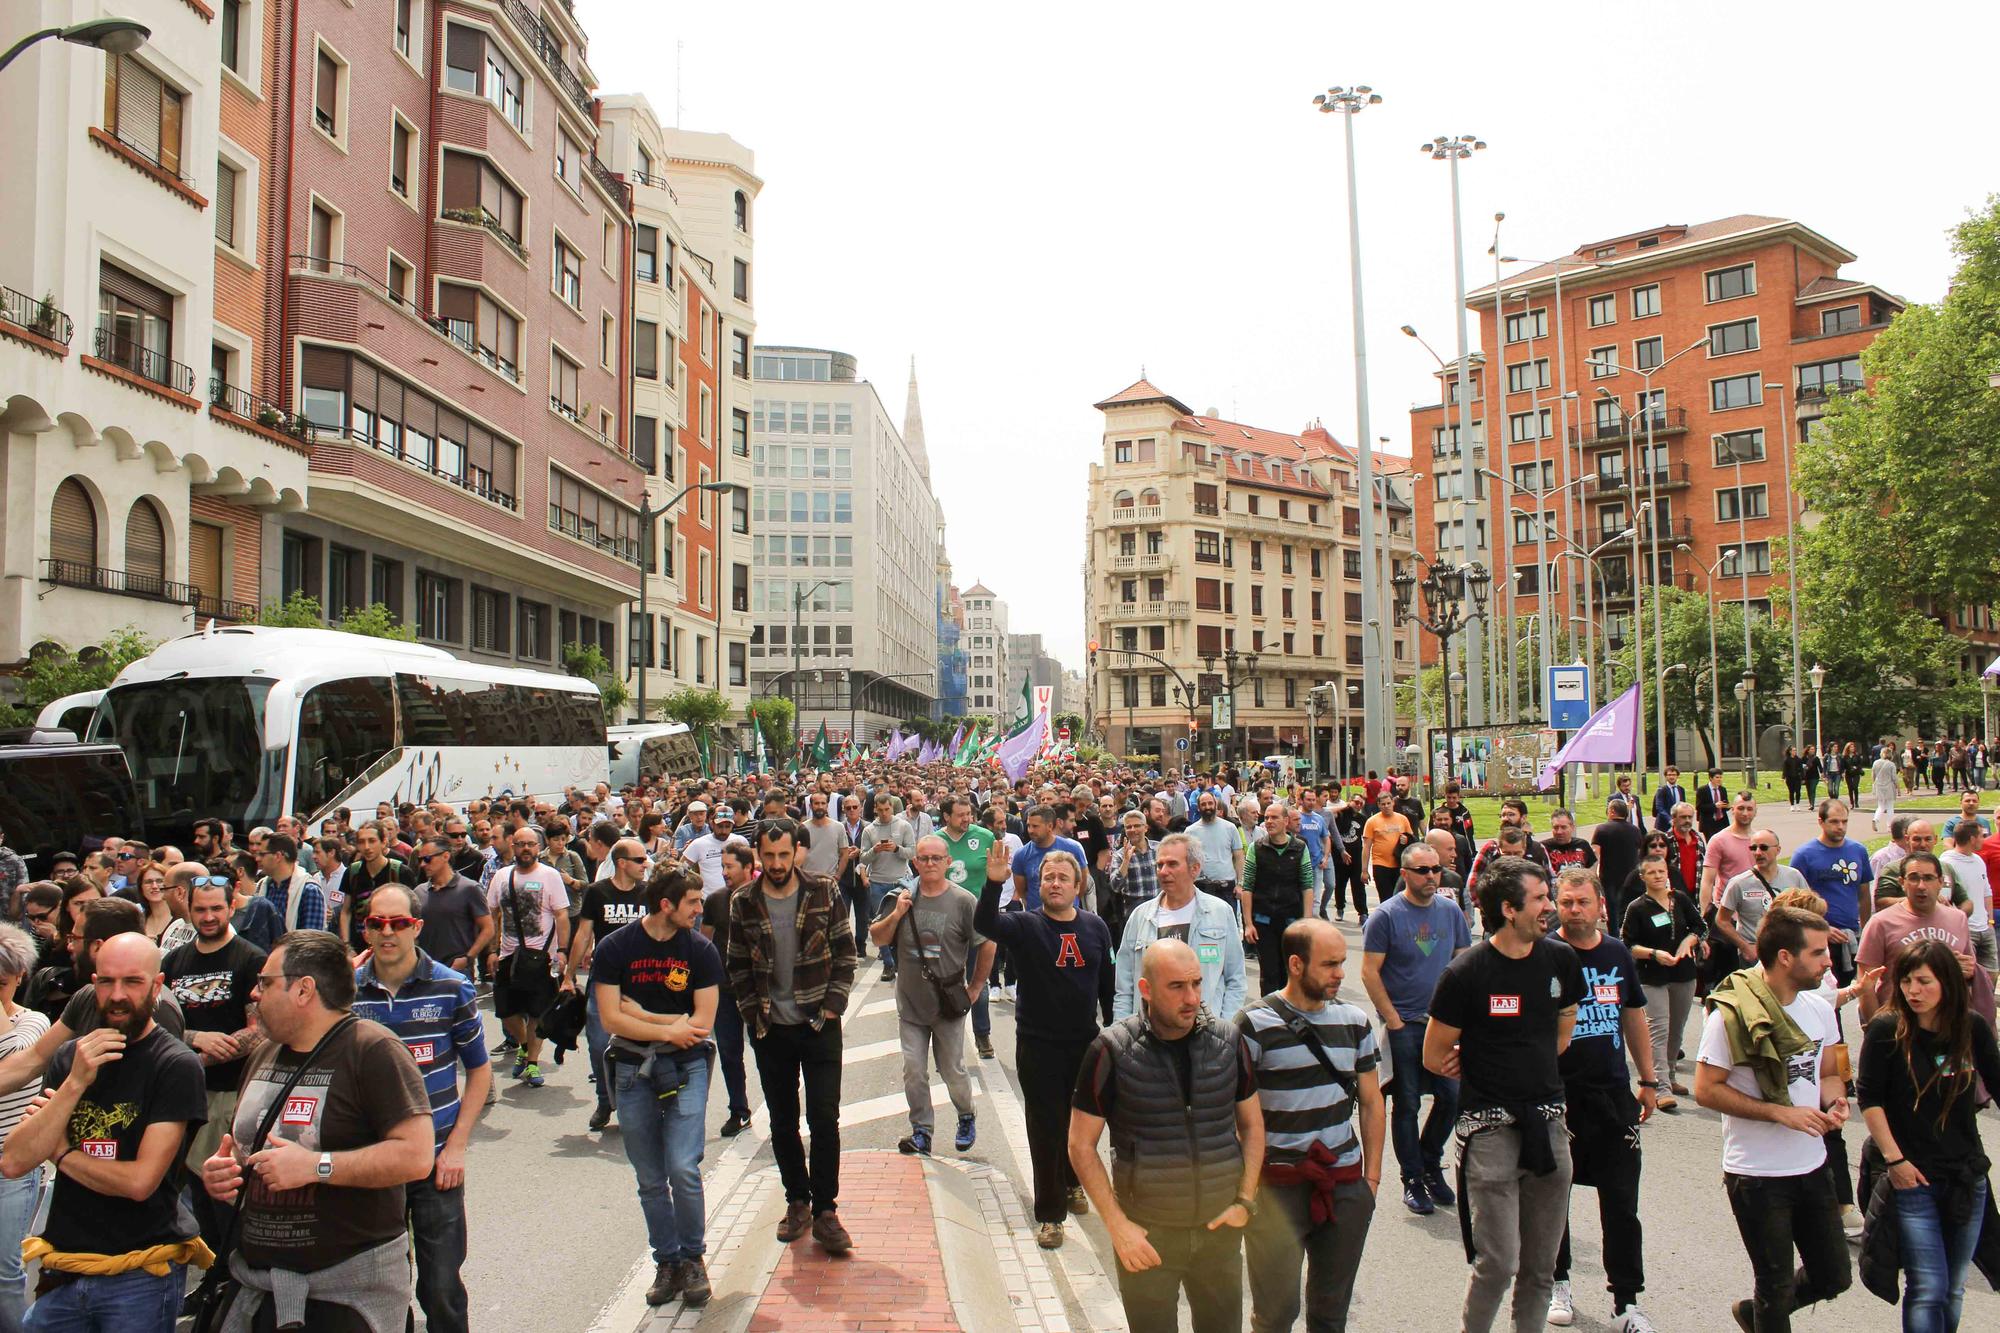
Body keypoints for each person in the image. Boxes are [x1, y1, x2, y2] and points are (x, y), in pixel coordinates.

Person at [200, 930, 435, 1332]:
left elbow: (416, 1156)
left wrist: (317, 1167)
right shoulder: (265, 1052)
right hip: (257, 1287)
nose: (255, 994)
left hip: (344, 1297)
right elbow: (254, 1155)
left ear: (304, 990)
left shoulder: (374, 1049)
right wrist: (225, 1172)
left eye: (265, 983)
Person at [0, 934, 207, 1332]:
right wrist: (75, 1082)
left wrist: (61, 1153)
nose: (117, 995)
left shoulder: (175, 1065)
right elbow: (13, 1160)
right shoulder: (71, 1057)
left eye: (132, 982)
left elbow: (139, 1182)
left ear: (157, 985)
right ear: (93, 984)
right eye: (107, 982)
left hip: (141, 1274)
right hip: (66, 1267)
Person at [1068, 939, 1263, 1333]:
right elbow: (1079, 1145)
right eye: (1177, 986)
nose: (1191, 997)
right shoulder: (1111, 1051)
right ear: (1146, 990)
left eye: (1196, 983)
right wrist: (1118, 1228)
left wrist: (1245, 1200)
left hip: (1218, 1234)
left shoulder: (1229, 1042)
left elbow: (1253, 1125)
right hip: (1147, 1237)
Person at [1424, 857, 1584, 1333]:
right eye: (1540, 899)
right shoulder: (1467, 972)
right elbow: (1435, 1055)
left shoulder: (1560, 960)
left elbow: (1563, 1026)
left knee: (1541, 1266)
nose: (1551, 908)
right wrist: (1472, 1062)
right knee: (1499, 1262)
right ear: (1510, 909)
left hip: (1549, 1126)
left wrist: (1529, 1061)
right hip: (1488, 1131)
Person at [1693, 906, 1852, 1333]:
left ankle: (1754, 1316)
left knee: (1835, 1275)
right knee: (1775, 1286)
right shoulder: (1729, 1015)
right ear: (1786, 956)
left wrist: (1836, 1102)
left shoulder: (1818, 1008)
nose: (1827, 961)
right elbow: (1706, 1089)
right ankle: (1766, 1316)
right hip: (1757, 1176)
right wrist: (1779, 1112)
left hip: (1813, 1166)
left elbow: (1831, 1071)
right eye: (1818, 953)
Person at [351, 886, 491, 1333]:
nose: (387, 932)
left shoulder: (452, 988)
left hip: (435, 1165)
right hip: (371, 1164)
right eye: (377, 923)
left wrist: (457, 1147)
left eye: (398, 923)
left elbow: (480, 1072)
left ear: (417, 927)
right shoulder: (345, 991)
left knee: (440, 1285)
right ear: (366, 928)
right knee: (380, 1290)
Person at [1238, 919, 1384, 1333]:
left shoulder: (1355, 1022)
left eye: (1342, 963)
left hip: (1343, 1186)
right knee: (1275, 1314)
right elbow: (1238, 1115)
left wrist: (1369, 1182)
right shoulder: (1252, 1024)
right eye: (1331, 964)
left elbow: (1372, 1103)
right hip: (1275, 1190)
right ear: (1297, 965)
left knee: (1330, 1312)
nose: (1342, 973)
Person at [726, 819, 857, 1255]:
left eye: (784, 855)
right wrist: (753, 1016)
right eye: (769, 856)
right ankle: (796, 1201)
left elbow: (844, 951)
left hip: (820, 1025)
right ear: (758, 856)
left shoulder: (823, 890)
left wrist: (833, 1006)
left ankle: (825, 1211)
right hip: (770, 1030)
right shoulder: (743, 901)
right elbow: (738, 965)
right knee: (782, 1123)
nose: (777, 863)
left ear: (796, 852)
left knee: (824, 1120)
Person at [973, 836, 1112, 1248]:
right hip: (1038, 1045)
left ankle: (1072, 1181)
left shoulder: (1095, 926)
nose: (1054, 883)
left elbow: (1107, 983)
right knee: (1045, 1127)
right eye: (1047, 877)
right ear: (1039, 883)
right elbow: (986, 925)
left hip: (1086, 1043)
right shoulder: (1026, 924)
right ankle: (1050, 1214)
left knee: (1080, 1123)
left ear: (1076, 884)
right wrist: (993, 884)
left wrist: (1116, 1030)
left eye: (1062, 878)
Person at [594, 863, 722, 1309]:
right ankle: (666, 1261)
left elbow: (703, 1024)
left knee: (683, 1168)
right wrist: (671, 1028)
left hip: (687, 1067)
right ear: (666, 905)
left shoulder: (701, 950)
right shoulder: (615, 947)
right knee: (650, 1177)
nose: (698, 909)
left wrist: (646, 1020)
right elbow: (611, 1018)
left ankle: (693, 1258)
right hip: (631, 1070)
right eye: (691, 902)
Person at [1856, 938, 2000, 1333]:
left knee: (1953, 1287)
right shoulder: (1887, 1030)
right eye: (1906, 981)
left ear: (1948, 984)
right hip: (1912, 1177)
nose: (1913, 991)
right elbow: (1870, 1099)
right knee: (1927, 1286)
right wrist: (1895, 1161)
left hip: (1966, 1176)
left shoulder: (1972, 1028)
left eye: (1924, 982)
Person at [1546, 868, 1658, 1333]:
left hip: (1612, 1096)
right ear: (1555, 904)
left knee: (1621, 1202)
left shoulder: (1616, 953)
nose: (1574, 911)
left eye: (1582, 902)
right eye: (1566, 902)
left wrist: (1650, 1080)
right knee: (1554, 1198)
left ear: (1599, 905)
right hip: (1556, 1098)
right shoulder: (1543, 955)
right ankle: (1558, 1280)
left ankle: (1625, 1303)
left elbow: (1633, 1016)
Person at [1360, 841, 1471, 1215]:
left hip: (1443, 1025)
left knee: (1452, 1097)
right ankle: (1412, 1178)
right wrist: (1392, 1019)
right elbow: (1370, 971)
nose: (1431, 877)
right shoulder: (1387, 916)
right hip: (1404, 1023)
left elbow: (1461, 961)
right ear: (1404, 873)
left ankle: (1428, 1162)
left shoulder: (1451, 911)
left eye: (1435, 870)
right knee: (1406, 1102)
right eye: (1423, 871)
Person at [870, 835, 994, 1157]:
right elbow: (877, 937)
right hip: (910, 1003)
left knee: (952, 1069)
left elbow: (987, 943)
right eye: (923, 858)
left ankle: (966, 1114)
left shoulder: (964, 901)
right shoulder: (902, 896)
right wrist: (896, 914)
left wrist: (977, 986)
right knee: (913, 1069)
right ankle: (921, 1130)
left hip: (948, 1005)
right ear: (915, 862)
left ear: (948, 862)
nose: (929, 864)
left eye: (936, 859)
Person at [161, 879, 265, 1255]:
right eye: (200, 909)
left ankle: (229, 1281)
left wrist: (205, 1053)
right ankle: (209, 1280)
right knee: (190, 1199)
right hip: (182, 1095)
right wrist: (194, 1040)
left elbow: (262, 1029)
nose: (208, 917)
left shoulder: (251, 958)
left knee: (225, 1199)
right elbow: (162, 1026)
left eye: (215, 909)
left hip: (230, 1094)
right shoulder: (173, 961)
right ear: (188, 909)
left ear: (231, 907)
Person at [1111, 832, 1248, 1023]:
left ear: (1195, 869)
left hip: (1206, 1032)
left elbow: (1236, 979)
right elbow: (1124, 987)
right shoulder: (1140, 917)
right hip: (1150, 1036)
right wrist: (1123, 1030)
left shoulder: (1220, 912)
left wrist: (1225, 1027)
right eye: (1159, 865)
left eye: (1172, 864)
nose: (1163, 871)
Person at [568, 838, 651, 1133]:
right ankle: (605, 1100)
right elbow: (583, 934)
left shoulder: (648, 893)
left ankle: (639, 1102)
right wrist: (567, 975)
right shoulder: (596, 892)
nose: (646, 865)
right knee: (599, 1044)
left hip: (641, 982)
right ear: (622, 863)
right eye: (640, 860)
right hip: (604, 980)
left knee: (644, 1045)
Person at [1620, 851, 1706, 1111]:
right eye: (1651, 873)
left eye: (1661, 872)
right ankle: (1661, 1087)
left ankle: (1669, 1074)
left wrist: (1689, 941)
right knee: (1658, 1027)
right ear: (1642, 877)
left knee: (1676, 1029)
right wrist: (1654, 954)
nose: (1657, 876)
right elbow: (1628, 943)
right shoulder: (1637, 907)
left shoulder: (1678, 899)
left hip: (1683, 974)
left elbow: (1700, 926)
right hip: (1652, 976)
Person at [486, 826, 571, 1089]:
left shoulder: (550, 876)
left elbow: (561, 916)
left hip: (540, 956)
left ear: (538, 847)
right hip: (508, 954)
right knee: (506, 1011)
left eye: (531, 844)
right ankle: (524, 1045)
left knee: (537, 1012)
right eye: (521, 844)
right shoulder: (501, 876)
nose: (525, 849)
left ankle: (532, 1062)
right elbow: (492, 915)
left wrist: (562, 951)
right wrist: (491, 950)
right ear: (513, 846)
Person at [1854, 852, 1978, 1022]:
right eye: (1913, 878)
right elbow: (1866, 985)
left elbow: (1969, 969)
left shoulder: (1958, 919)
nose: (1921, 886)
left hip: (1947, 1023)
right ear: (1902, 882)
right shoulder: (1881, 923)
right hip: (1898, 1025)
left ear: (1941, 882)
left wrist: (1969, 971)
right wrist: (1874, 1028)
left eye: (1928, 878)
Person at [0, 925, 49, 1332]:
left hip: (11, 1166)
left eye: (1, 982)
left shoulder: (33, 1022)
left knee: (4, 1273)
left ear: (20, 977)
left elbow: (14, 1061)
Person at [1788, 799, 1874, 986]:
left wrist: (1865, 928)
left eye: (1844, 821)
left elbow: (1864, 893)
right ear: (1821, 821)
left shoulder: (1858, 851)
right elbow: (1794, 903)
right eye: (1834, 822)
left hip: (1851, 935)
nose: (1840, 827)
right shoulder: (1804, 855)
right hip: (1817, 938)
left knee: (1849, 988)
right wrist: (1822, 928)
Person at [702, 845, 756, 1138]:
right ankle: (739, 1110)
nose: (724, 872)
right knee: (729, 1053)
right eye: (722, 866)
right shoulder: (715, 900)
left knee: (767, 1053)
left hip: (759, 990)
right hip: (724, 991)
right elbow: (704, 944)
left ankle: (778, 1110)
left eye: (730, 867)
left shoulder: (764, 897)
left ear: (748, 867)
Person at [1241, 803, 1312, 996]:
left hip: (1292, 921)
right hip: (1263, 922)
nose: (1269, 822)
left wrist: (1307, 921)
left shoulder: (1299, 848)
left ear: (1286, 821)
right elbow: (1247, 887)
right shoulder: (1257, 848)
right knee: (1269, 974)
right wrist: (1248, 924)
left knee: (1291, 972)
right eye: (1267, 818)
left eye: (1274, 818)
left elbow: (1307, 885)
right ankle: (1269, 1016)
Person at [1715, 831, 1808, 965]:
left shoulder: (1794, 876)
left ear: (1778, 850)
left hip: (1788, 951)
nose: (1758, 852)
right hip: (1755, 957)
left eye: (1763, 847)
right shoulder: (1739, 883)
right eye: (1753, 848)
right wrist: (1744, 947)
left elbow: (1810, 911)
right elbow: (1722, 920)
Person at [411, 836, 493, 978]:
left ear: (445, 856)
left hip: (457, 972)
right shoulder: (419, 892)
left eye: (428, 859)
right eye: (420, 860)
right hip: (426, 971)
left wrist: (467, 958)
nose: (423, 864)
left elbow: (488, 928)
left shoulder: (469, 888)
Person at [333, 822, 418, 952]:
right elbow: (346, 911)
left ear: (384, 842)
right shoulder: (352, 872)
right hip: (358, 947)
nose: (367, 847)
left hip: (392, 943)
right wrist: (347, 946)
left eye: (372, 841)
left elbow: (412, 912)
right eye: (362, 842)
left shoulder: (400, 871)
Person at [860, 795, 918, 977]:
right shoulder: (869, 830)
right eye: (881, 810)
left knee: (904, 924)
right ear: (875, 809)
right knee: (881, 923)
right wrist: (874, 851)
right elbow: (862, 858)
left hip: (901, 881)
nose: (884, 813)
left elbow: (912, 851)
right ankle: (888, 963)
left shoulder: (903, 826)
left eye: (887, 809)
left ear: (892, 808)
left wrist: (896, 849)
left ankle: (902, 960)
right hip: (878, 881)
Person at [1940, 820, 1997, 972]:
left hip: (1985, 928)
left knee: (1992, 973)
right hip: (1965, 929)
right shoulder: (1946, 862)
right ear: (1972, 839)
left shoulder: (1978, 860)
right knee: (1967, 975)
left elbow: (1987, 891)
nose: (1984, 839)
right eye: (1981, 836)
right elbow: (1944, 900)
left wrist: (1990, 920)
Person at [1699, 790, 1761, 916]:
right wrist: (1705, 915)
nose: (1745, 813)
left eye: (1749, 809)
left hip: (1755, 909)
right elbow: (1707, 881)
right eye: (1741, 808)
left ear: (1755, 811)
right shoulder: (1719, 840)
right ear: (1733, 810)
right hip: (1726, 912)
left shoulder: (1761, 841)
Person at [1360, 788, 1415, 921]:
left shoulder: (1402, 819)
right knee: (1386, 899)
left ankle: (1401, 921)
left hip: (1399, 864)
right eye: (1383, 804)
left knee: (1401, 897)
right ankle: (1388, 922)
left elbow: (1412, 840)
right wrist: (1364, 870)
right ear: (1378, 805)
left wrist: (1406, 840)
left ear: (1393, 803)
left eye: (1388, 803)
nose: (1386, 806)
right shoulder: (1372, 821)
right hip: (1381, 864)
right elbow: (1366, 847)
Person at [255, 834, 325, 935]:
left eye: (262, 854)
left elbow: (310, 943)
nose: (257, 859)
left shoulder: (309, 891)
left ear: (278, 856)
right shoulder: (262, 886)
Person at [1187, 791, 1246, 906]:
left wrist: (1240, 884)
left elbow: (1239, 857)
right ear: (1198, 808)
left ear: (1215, 805)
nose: (1207, 807)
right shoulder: (1190, 832)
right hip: (1201, 888)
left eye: (1210, 803)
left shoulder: (1230, 828)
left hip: (1227, 889)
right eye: (1203, 804)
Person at [1590, 801, 1644, 916]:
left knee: (1612, 911)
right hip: (1631, 877)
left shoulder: (1602, 829)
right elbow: (1640, 853)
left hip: (1609, 877)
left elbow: (1595, 853)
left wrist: (1595, 875)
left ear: (1612, 811)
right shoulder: (1635, 830)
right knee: (1630, 910)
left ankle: (1614, 933)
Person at [1869, 745, 1900, 832]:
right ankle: (1889, 826)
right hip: (1889, 786)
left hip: (1879, 786)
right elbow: (1894, 778)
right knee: (1890, 806)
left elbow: (1873, 775)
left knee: (1881, 806)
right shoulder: (1891, 764)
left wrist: (1873, 784)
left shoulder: (1876, 763)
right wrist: (1898, 788)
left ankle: (1875, 819)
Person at [1697, 771, 1732, 842]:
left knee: (1724, 843)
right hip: (1709, 823)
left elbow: (1725, 803)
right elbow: (1699, 807)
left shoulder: (1722, 789)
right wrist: (1714, 806)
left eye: (1720, 777)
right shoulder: (1702, 790)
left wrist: (1727, 806)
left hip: (1722, 822)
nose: (1719, 779)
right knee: (1712, 844)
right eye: (1717, 777)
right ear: (1710, 778)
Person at [1651, 765, 1685, 834]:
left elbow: (1683, 805)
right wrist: (1669, 819)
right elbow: (1659, 808)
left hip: (1678, 824)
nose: (1671, 777)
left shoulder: (1681, 789)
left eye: (1674, 775)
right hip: (1663, 825)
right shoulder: (1661, 790)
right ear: (1666, 776)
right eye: (1669, 775)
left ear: (1677, 776)